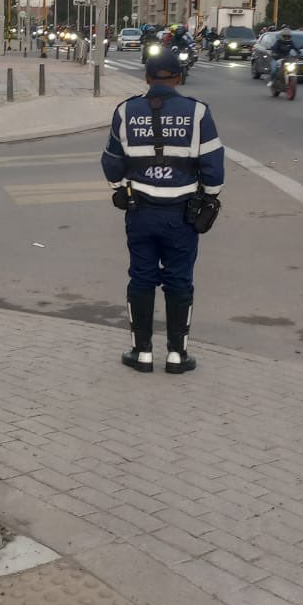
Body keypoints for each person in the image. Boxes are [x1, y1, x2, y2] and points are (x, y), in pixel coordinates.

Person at [101, 46, 224, 375]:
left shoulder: (126, 111)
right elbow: (213, 167)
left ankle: (141, 353)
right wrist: (210, 198)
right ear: (179, 78)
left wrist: (118, 189)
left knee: (141, 278)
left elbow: (111, 164)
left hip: (140, 211)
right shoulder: (198, 113)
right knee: (179, 280)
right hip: (182, 214)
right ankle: (176, 355)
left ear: (146, 77)